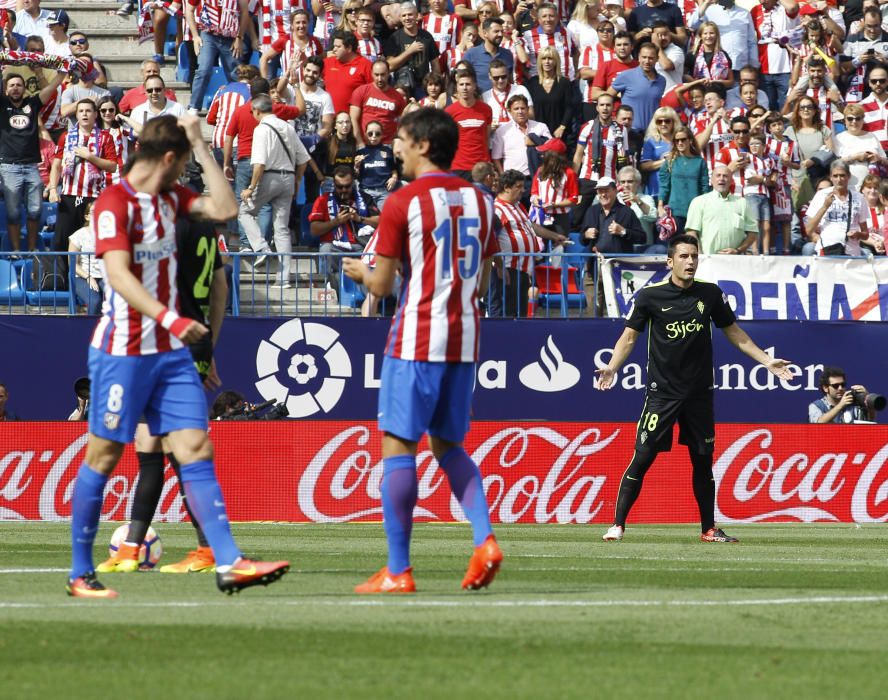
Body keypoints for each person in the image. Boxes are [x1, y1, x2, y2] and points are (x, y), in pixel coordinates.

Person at [66, 115, 289, 599]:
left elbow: (226, 208)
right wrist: (171, 320)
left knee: (195, 450)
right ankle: (80, 572)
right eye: (184, 160)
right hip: (123, 349)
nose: (187, 168)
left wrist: (201, 145)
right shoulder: (114, 202)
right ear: (168, 160)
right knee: (104, 456)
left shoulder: (173, 198)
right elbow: (120, 276)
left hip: (170, 353)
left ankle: (229, 562)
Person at [342, 107, 503, 594]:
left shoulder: (402, 203)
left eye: (404, 140)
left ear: (424, 146)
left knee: (399, 446)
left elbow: (383, 282)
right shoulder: (483, 202)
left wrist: (360, 274)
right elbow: (488, 273)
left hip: (416, 336)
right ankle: (485, 538)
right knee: (449, 446)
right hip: (465, 338)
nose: (396, 147)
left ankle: (398, 569)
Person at [597, 234, 793, 543]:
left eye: (694, 256)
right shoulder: (650, 296)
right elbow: (629, 337)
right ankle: (618, 525)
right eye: (684, 256)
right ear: (670, 261)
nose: (690, 262)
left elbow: (735, 333)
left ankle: (708, 529)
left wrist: (766, 361)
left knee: (703, 460)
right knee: (643, 456)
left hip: (699, 395)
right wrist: (612, 366)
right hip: (662, 395)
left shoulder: (710, 294)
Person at [96, 216, 229, 575]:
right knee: (157, 445)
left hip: (163, 343)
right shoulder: (204, 225)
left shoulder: (165, 223)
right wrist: (208, 345)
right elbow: (220, 287)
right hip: (193, 339)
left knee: (164, 447)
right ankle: (139, 547)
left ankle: (200, 549)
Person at [238, 93, 310, 287]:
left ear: (257, 111)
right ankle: (284, 279)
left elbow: (259, 164)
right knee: (282, 230)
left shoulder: (262, 129)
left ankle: (261, 248)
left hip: (269, 177)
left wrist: (251, 188)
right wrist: (296, 182)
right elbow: (303, 160)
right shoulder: (287, 127)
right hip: (288, 177)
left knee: (244, 212)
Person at [0, 67, 67, 255]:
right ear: (6, 89)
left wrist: (61, 74)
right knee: (13, 213)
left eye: (19, 85)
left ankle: (31, 249)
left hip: (31, 166)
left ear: (24, 89)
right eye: (11, 85)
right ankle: (15, 250)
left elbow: (52, 87)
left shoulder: (32, 103)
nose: (15, 88)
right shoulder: (2, 104)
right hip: (8, 167)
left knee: (35, 211)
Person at [492, 168, 567, 317]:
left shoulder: (519, 206)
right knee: (509, 313)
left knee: (521, 313)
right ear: (506, 187)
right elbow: (491, 238)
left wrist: (554, 236)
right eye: (518, 187)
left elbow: (532, 227)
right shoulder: (497, 209)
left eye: (523, 186)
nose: (522, 190)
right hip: (508, 268)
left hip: (524, 269)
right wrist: (499, 265)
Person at [309, 164, 380, 289]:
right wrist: (336, 221)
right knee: (325, 250)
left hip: (360, 246)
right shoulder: (322, 200)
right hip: (334, 246)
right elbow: (314, 230)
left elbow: (381, 222)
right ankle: (331, 289)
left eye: (347, 187)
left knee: (374, 253)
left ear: (353, 183)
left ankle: (369, 294)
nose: (343, 190)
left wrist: (360, 218)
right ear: (334, 185)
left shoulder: (364, 198)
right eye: (339, 187)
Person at [185, 0, 250, 114]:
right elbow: (189, 10)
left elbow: (245, 12)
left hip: (230, 36)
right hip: (209, 34)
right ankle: (194, 106)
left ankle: (242, 105)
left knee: (235, 73)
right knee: (203, 70)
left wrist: (240, 38)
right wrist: (195, 36)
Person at [685, 164, 758, 254]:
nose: (721, 179)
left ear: (731, 181)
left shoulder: (742, 203)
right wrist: (700, 256)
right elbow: (691, 232)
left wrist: (738, 250)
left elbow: (753, 232)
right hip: (708, 261)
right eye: (718, 175)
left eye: (725, 176)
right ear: (711, 180)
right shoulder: (699, 202)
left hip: (734, 261)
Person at [803, 160, 869, 256]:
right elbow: (809, 230)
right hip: (827, 250)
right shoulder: (821, 195)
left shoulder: (859, 198)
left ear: (848, 176)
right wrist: (824, 207)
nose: (839, 179)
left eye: (842, 175)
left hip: (851, 253)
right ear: (830, 177)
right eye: (835, 176)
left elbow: (865, 234)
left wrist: (857, 234)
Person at [657, 125, 709, 242]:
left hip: (695, 211)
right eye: (677, 140)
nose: (680, 143)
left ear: (690, 140)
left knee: (693, 246)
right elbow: (664, 186)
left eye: (683, 139)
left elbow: (705, 187)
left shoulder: (700, 162)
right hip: (675, 211)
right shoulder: (670, 161)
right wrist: (660, 206)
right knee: (675, 247)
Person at [383, 2, 440, 99]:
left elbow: (435, 64)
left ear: (417, 16)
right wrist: (409, 51)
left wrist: (435, 83)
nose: (407, 18)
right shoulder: (395, 38)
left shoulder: (426, 36)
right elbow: (390, 66)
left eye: (410, 14)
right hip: (401, 88)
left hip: (422, 87)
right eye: (404, 15)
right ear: (400, 18)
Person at [608, 42, 666, 133]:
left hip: (653, 133)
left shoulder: (662, 81)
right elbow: (607, 98)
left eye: (651, 58)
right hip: (629, 132)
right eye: (644, 57)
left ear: (657, 59)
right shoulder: (626, 76)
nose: (647, 61)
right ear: (638, 57)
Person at [445, 69, 493, 180]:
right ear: (457, 87)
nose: (465, 88)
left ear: (474, 86)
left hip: (481, 167)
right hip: (458, 167)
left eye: (468, 84)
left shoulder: (486, 110)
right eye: (461, 84)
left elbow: (487, 138)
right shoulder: (450, 111)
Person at [349, 59, 407, 146]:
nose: (379, 79)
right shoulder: (361, 91)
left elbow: (401, 123)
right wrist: (359, 142)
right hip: (364, 142)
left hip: (387, 144)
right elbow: (353, 119)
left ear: (388, 74)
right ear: (371, 73)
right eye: (376, 75)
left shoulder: (397, 97)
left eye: (383, 75)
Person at [68, 202, 104, 315]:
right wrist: (88, 277)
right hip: (82, 276)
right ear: (87, 216)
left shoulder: (110, 234)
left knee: (117, 299)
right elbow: (73, 264)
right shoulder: (78, 235)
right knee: (95, 301)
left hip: (105, 276)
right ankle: (90, 330)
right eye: (94, 212)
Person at [808, 367, 875, 423]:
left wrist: (867, 398)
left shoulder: (853, 403)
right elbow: (818, 424)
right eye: (835, 386)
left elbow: (871, 419)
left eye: (842, 385)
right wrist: (840, 405)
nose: (840, 388)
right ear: (825, 388)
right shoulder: (816, 406)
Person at [463, 17, 512, 93]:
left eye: (501, 31)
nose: (500, 34)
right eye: (496, 31)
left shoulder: (507, 54)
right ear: (485, 33)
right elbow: (463, 79)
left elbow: (510, 79)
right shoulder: (471, 54)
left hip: (503, 101)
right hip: (480, 100)